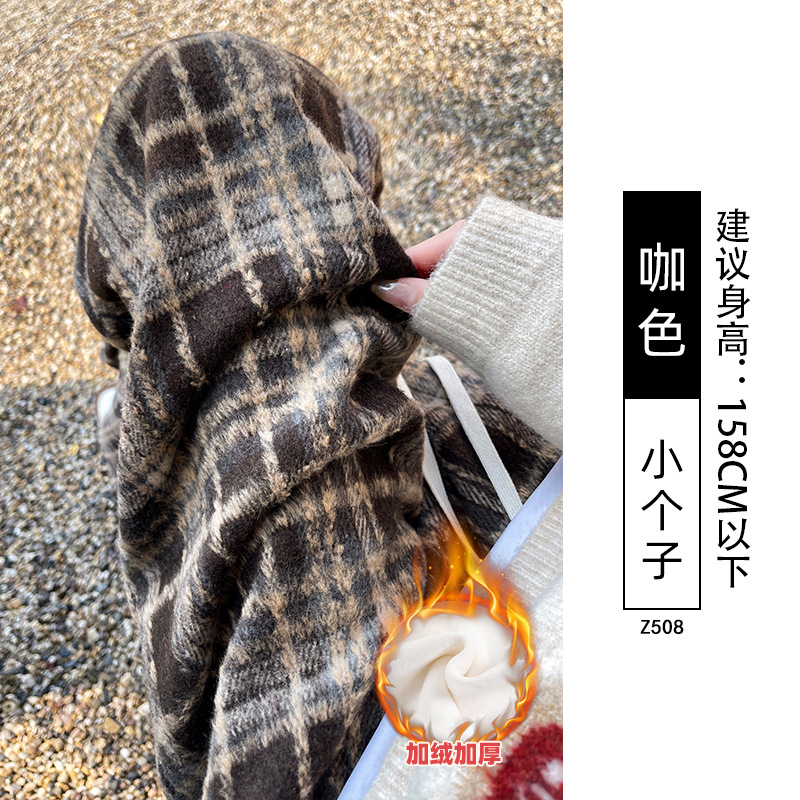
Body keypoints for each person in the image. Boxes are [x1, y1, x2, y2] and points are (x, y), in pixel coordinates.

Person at [75, 31, 560, 800]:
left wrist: (566, 307)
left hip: (385, 757)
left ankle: (150, 385)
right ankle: (160, 407)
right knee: (394, 402)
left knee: (202, 90)